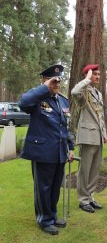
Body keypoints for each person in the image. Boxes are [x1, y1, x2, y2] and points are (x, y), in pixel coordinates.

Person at [19, 64, 74, 235]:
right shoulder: (37, 99)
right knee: (43, 188)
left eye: (58, 82)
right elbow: (23, 102)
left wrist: (70, 147)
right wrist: (44, 88)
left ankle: (52, 215)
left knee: (55, 187)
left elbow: (66, 127)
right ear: (45, 81)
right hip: (42, 151)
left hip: (59, 152)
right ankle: (44, 220)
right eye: (53, 81)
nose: (57, 85)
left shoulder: (64, 101)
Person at [71, 64, 107, 213]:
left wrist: (104, 134)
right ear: (88, 75)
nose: (98, 77)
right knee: (84, 170)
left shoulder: (98, 94)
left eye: (99, 74)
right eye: (94, 74)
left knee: (94, 169)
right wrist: (86, 79)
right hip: (87, 136)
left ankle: (91, 197)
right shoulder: (83, 92)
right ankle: (83, 200)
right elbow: (74, 91)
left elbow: (100, 116)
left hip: (98, 136)